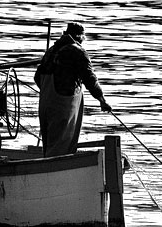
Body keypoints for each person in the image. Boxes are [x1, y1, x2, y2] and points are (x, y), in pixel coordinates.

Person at [34, 22, 112, 157]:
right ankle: (58, 174)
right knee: (61, 147)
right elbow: (90, 79)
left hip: (45, 104)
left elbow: (37, 77)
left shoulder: (51, 50)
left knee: (49, 146)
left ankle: (46, 171)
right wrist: (102, 100)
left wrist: (49, 93)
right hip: (63, 106)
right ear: (80, 37)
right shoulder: (79, 52)